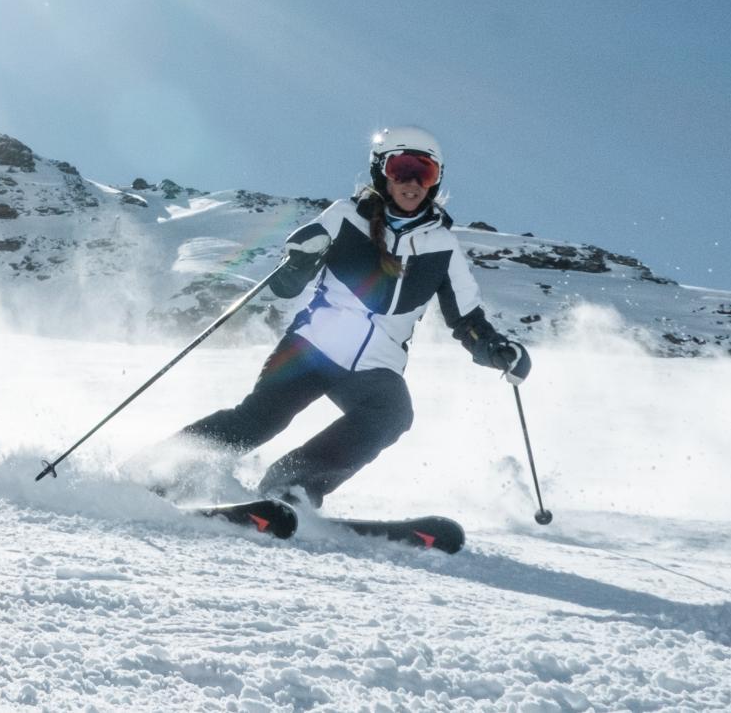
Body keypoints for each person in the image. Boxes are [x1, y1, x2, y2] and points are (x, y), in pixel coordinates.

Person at [172, 126, 528, 504]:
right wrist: (298, 262)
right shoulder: (344, 218)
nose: (412, 182)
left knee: (391, 415)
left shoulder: (443, 247)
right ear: (381, 172)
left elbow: (467, 320)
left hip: (375, 366)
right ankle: (169, 466)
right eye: (401, 168)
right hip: (311, 349)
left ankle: (291, 484)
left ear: (436, 181)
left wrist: (495, 349)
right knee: (261, 419)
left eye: (424, 172)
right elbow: (287, 282)